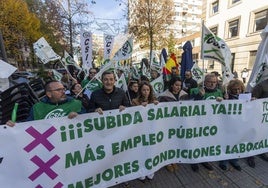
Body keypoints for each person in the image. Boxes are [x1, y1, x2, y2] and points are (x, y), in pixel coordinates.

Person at [6, 80, 85, 126]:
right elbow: (28, 125)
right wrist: (16, 125)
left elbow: (88, 120)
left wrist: (79, 116)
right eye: (59, 90)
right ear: (49, 94)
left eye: (63, 89)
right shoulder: (37, 108)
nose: (63, 92)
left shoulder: (76, 103)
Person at [190, 73, 223, 172]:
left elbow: (223, 107)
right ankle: (193, 161)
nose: (212, 84)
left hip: (212, 122)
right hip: (198, 122)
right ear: (205, 82)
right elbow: (189, 106)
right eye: (210, 82)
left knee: (206, 142)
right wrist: (199, 96)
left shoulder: (219, 92)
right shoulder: (196, 90)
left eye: (214, 82)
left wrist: (223, 100)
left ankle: (203, 159)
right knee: (195, 142)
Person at [158, 77, 188, 172]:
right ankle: (167, 161)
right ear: (171, 85)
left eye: (180, 85)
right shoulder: (164, 96)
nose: (178, 87)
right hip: (168, 124)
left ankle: (174, 159)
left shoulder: (184, 95)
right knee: (168, 142)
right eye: (176, 85)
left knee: (176, 141)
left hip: (180, 123)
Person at [131, 81, 158, 181]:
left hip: (151, 130)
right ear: (140, 91)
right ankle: (141, 170)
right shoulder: (135, 101)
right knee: (141, 151)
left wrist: (157, 105)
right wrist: (139, 108)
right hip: (140, 131)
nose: (146, 92)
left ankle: (150, 169)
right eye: (143, 90)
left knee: (150, 150)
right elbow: (132, 116)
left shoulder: (154, 100)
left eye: (147, 90)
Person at [218, 79, 243, 171]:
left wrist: (253, 100)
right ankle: (223, 161)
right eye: (235, 90)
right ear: (230, 89)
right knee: (226, 142)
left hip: (239, 124)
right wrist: (224, 100)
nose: (237, 91)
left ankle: (234, 160)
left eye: (239, 89)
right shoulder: (227, 97)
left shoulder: (244, 97)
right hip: (227, 124)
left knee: (236, 142)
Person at [251, 78, 268, 165]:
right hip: (258, 115)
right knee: (254, 134)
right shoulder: (261, 85)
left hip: (266, 116)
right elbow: (253, 99)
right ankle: (250, 155)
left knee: (264, 134)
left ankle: (261, 151)